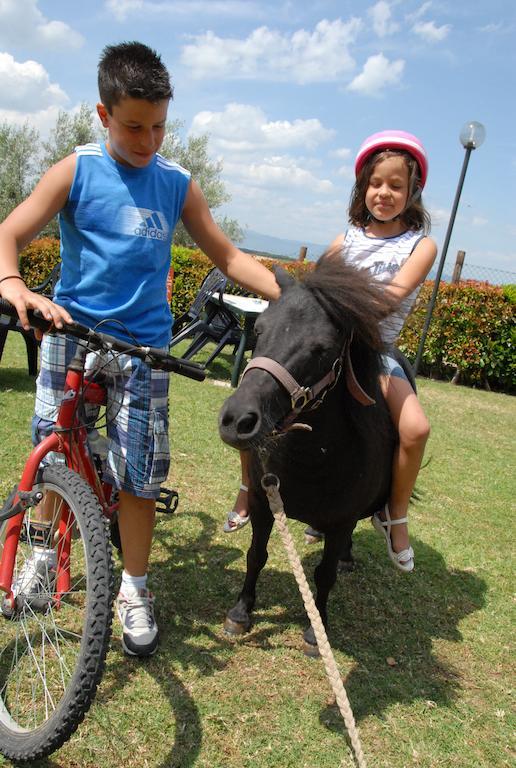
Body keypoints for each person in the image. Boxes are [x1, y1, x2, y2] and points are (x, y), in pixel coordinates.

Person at [0, 41, 280, 657]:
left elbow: (228, 257)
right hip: (70, 334)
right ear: (103, 115)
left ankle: (133, 586)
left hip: (143, 350)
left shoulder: (176, 184)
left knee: (141, 474)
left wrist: (289, 295)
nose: (148, 140)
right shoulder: (76, 169)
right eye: (133, 126)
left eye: (158, 127)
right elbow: (11, 231)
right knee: (55, 454)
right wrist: (14, 283)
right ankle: (45, 560)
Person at [226, 130, 436, 575]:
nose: (384, 193)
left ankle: (393, 514)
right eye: (376, 183)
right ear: (363, 187)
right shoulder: (345, 241)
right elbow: (317, 296)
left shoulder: (420, 246)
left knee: (415, 427)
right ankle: (248, 489)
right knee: (258, 394)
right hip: (329, 345)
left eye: (396, 185)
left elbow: (390, 299)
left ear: (412, 191)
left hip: (376, 352)